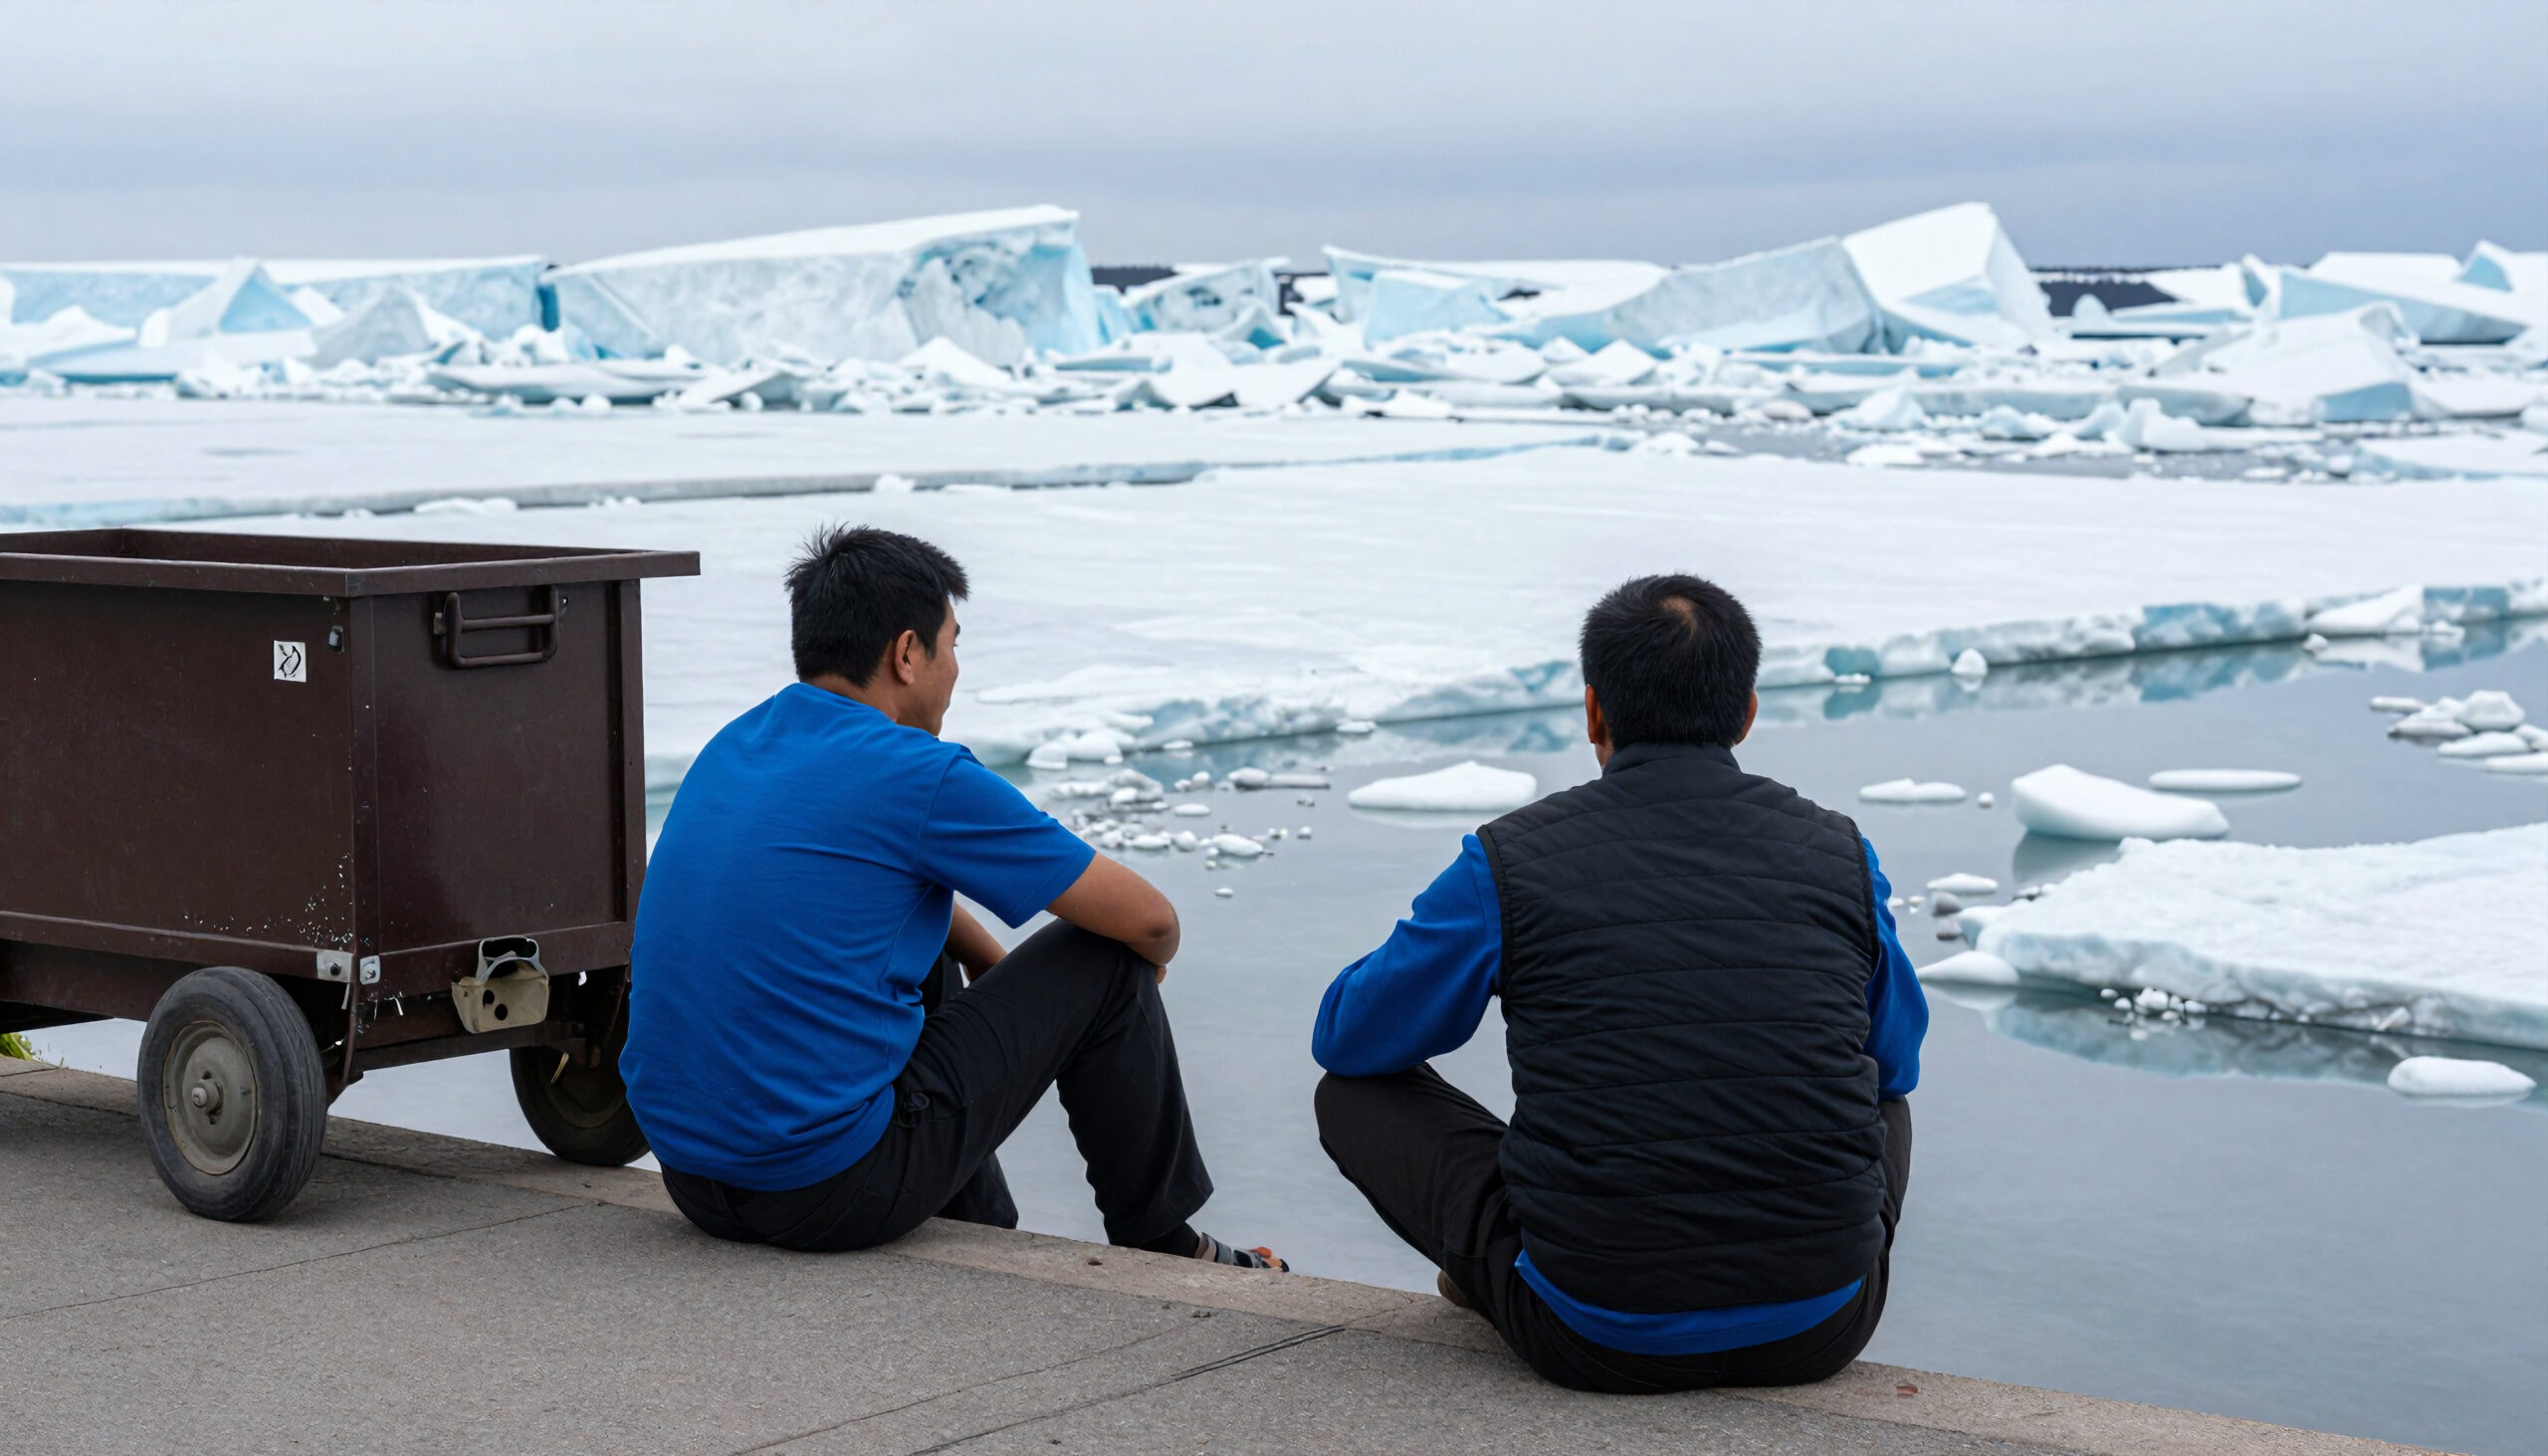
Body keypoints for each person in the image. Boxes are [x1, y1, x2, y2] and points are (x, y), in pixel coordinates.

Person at [1310, 573, 1925, 1392]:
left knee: (1349, 1095)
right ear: (1745, 713)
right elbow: (1897, 1061)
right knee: (1883, 1098)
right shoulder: (1841, 852)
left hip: (1591, 1334)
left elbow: (1350, 1042)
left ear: (1594, 711)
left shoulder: (1512, 858)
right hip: (1822, 1327)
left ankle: (1494, 1269)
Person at [623, 524, 1282, 1270]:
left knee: (914, 944)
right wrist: (1132, 973)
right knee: (1104, 953)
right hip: (826, 1190)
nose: (956, 666)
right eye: (952, 643)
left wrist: (1001, 979)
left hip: (694, 1175)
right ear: (907, 654)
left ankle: (981, 1227)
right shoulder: (914, 771)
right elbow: (1151, 918)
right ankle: (1166, 1242)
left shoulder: (734, 745)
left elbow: (855, 900)